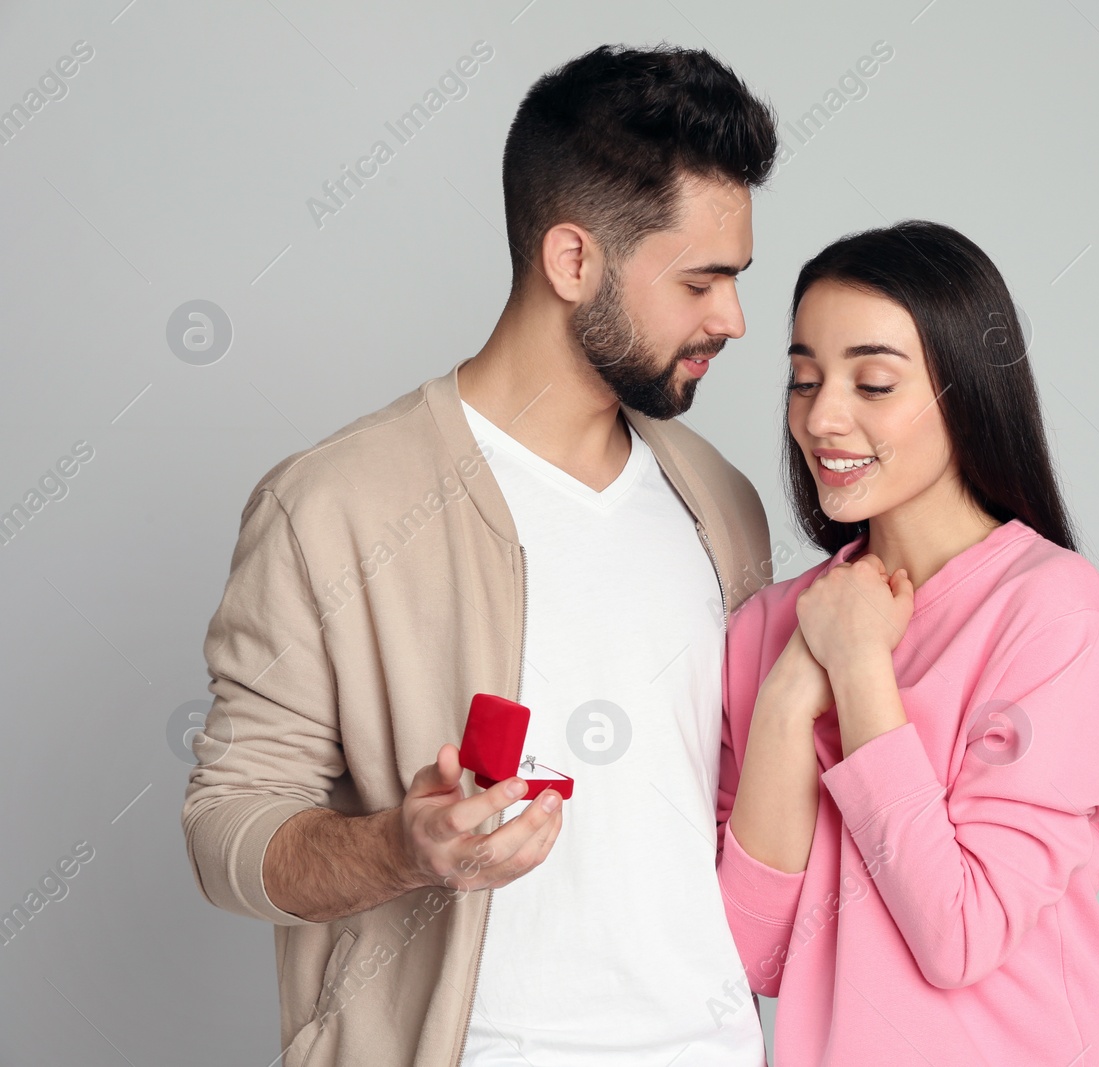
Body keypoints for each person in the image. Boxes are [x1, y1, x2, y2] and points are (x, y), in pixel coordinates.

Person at [182, 45, 780, 1066]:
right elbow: (224, 831)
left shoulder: (720, 501)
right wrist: (398, 847)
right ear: (571, 260)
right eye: (701, 281)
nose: (732, 318)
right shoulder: (330, 504)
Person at [714, 221, 1099, 1065]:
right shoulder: (771, 628)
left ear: (968, 390)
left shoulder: (1050, 610)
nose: (822, 417)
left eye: (873, 383)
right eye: (804, 380)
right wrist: (795, 687)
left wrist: (858, 667)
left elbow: (960, 932)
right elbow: (753, 957)